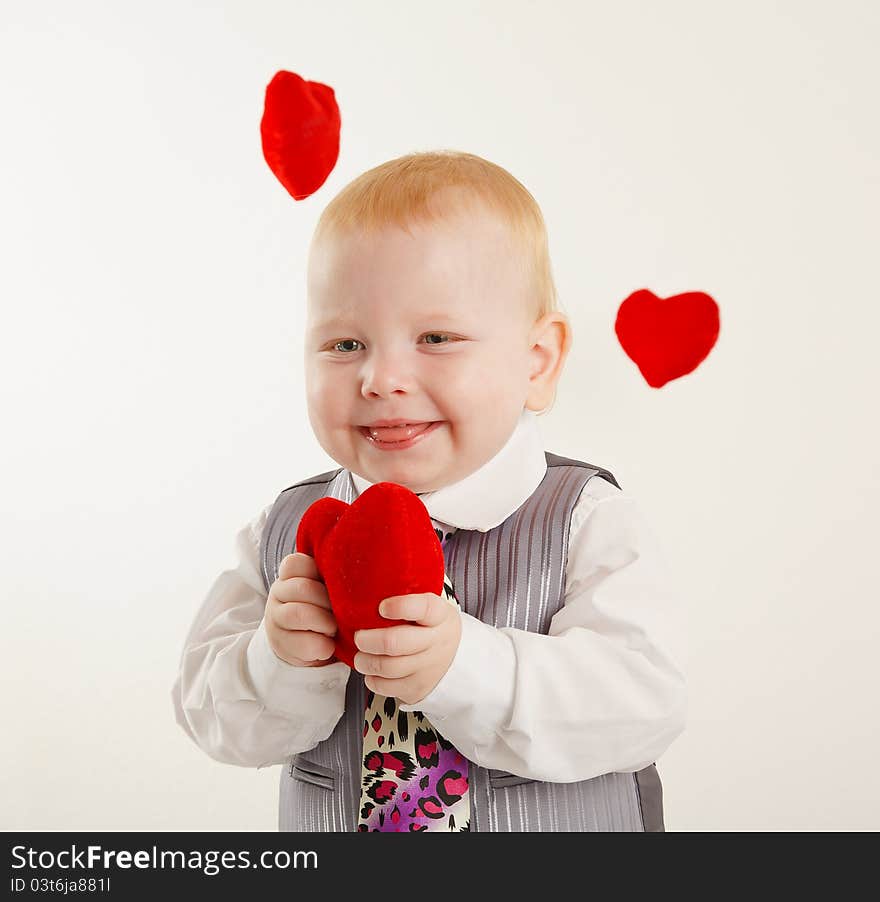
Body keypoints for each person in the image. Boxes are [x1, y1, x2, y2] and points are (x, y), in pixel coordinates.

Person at [172, 149, 687, 832]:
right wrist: (279, 659)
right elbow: (209, 717)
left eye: (436, 337)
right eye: (345, 345)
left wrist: (465, 665)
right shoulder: (285, 530)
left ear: (537, 363)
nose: (381, 378)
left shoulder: (585, 519)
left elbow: (644, 703)